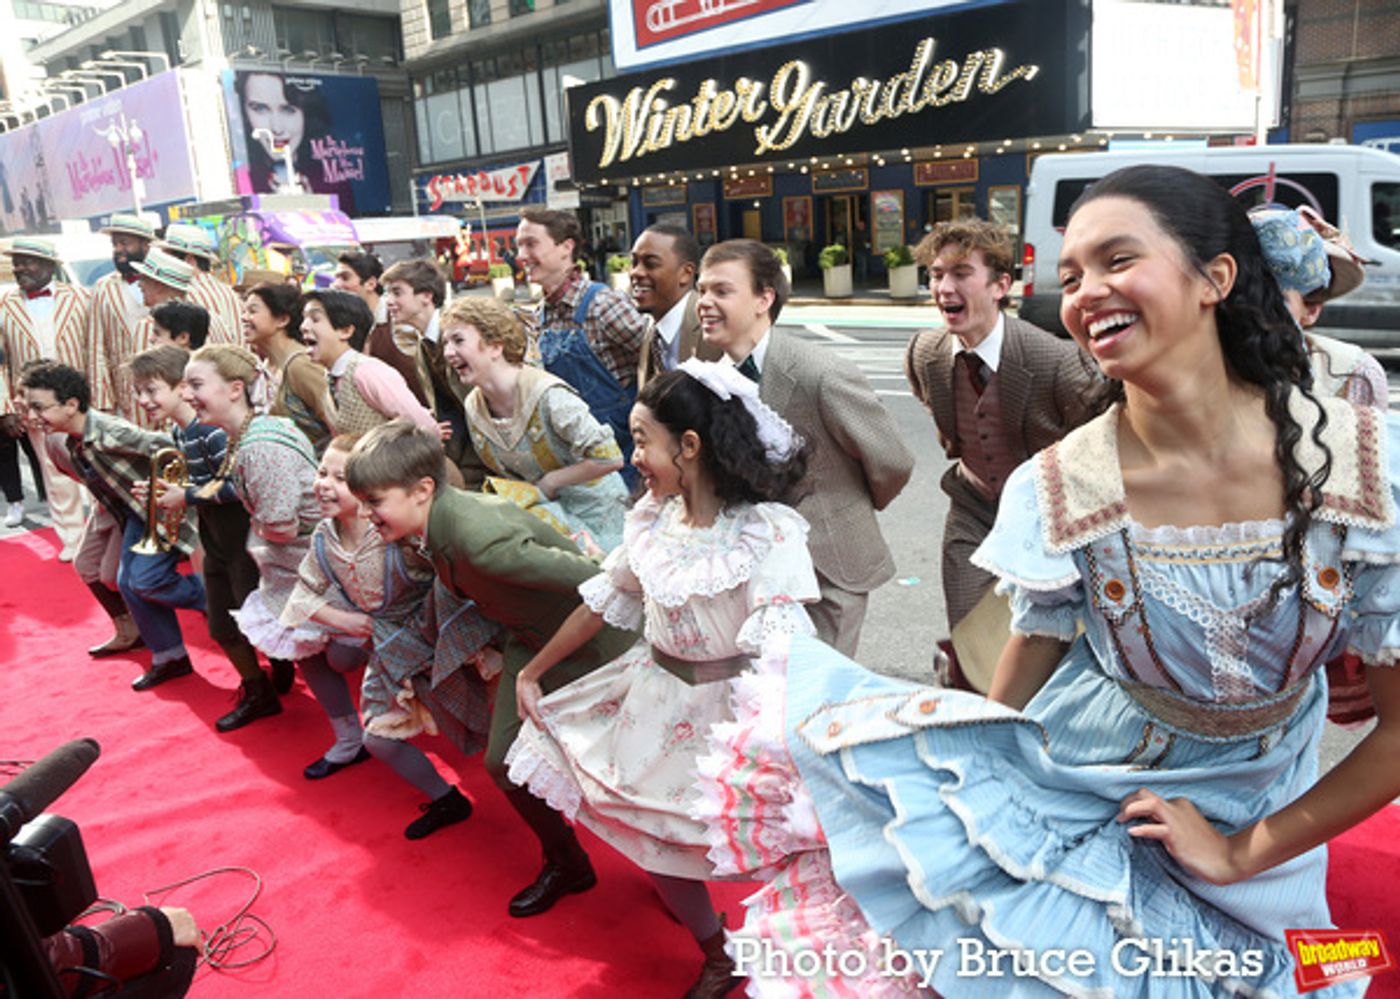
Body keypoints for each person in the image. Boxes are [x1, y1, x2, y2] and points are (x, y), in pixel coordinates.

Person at [694, 164, 1400, 998]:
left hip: (1267, 784)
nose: (1086, 292)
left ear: (1217, 277)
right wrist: (966, 779)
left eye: (1116, 260)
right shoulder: (1058, 482)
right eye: (1069, 276)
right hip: (1090, 777)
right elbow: (1029, 651)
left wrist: (1243, 850)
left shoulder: (1366, 460)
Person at [507, 362, 818, 998]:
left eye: (642, 439)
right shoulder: (651, 520)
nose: (633, 457)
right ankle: (716, 951)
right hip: (650, 696)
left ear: (690, 445)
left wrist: (772, 740)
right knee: (653, 842)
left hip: (735, 713)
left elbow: (783, 648)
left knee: (770, 848)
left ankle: (799, 959)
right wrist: (535, 672)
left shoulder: (767, 532)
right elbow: (604, 601)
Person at [344, 420, 638, 918]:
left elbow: (598, 582)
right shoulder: (438, 523)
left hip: (593, 643)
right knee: (504, 763)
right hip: (530, 639)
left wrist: (540, 668)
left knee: (633, 772)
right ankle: (568, 863)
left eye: (374, 500)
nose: (365, 513)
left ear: (423, 490)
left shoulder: (479, 542)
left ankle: (681, 879)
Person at [905, 219, 1098, 691]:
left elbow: (1100, 451)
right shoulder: (924, 353)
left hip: (1048, 525)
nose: (943, 287)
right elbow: (936, 409)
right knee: (972, 644)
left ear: (1001, 286)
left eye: (960, 273)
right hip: (972, 513)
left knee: (1046, 655)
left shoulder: (1056, 363)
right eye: (935, 275)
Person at [696, 239, 913, 657]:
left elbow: (892, 461)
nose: (705, 302)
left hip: (828, 568)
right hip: (753, 569)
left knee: (813, 695)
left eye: (722, 291)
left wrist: (841, 505)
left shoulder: (822, 373)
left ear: (764, 298)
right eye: (702, 290)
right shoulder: (711, 373)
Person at [281, 434, 499, 825]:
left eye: (340, 478)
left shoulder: (397, 531)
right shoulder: (322, 537)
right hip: (387, 646)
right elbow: (302, 593)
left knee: (495, 714)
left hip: (442, 634)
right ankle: (446, 798)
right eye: (321, 471)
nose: (324, 484)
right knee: (378, 739)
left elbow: (454, 567)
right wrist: (343, 619)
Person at [1251, 205, 1388, 729]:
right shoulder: (1192, 374)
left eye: (1275, 298)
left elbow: (1372, 501)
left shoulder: (1352, 373)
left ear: (1311, 309)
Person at [21, 363, 205, 692]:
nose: (33, 416)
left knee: (145, 580)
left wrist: (175, 492)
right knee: (126, 582)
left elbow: (168, 447)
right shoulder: (71, 441)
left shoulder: (108, 431)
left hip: (161, 511)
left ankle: (220, 598)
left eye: (39, 407)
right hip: (135, 514)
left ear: (71, 405)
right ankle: (170, 656)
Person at [183, 344, 332, 733]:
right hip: (296, 567)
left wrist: (257, 531)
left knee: (329, 660)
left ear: (235, 389)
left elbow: (280, 525)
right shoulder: (251, 433)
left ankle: (354, 739)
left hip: (306, 571)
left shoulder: (259, 445)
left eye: (196, 384)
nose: (186, 395)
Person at [439, 296, 628, 551]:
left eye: (458, 340)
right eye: (445, 343)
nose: (448, 352)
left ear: (495, 346)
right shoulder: (474, 405)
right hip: (545, 515)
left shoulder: (549, 396)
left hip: (599, 515)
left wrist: (551, 481)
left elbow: (610, 458)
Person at [517, 207, 648, 475]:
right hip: (578, 458)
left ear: (566, 247)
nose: (521, 256)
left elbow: (659, 361)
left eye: (531, 244)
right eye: (519, 246)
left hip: (624, 459)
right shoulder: (540, 315)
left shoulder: (602, 304)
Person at [0, 237, 96, 556]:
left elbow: (96, 348)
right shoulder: (4, 305)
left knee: (97, 465)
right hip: (35, 404)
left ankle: (106, 531)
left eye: (28, 261)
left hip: (82, 399)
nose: (20, 267)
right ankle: (71, 539)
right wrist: (6, 407)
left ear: (49, 265)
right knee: (54, 472)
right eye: (16, 262)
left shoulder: (82, 298)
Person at [380, 257, 483, 486]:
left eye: (397, 293)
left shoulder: (459, 334)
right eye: (388, 294)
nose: (389, 301)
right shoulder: (421, 346)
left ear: (426, 296)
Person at [299, 288, 439, 437]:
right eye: (304, 319)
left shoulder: (368, 372)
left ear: (346, 331)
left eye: (315, 319)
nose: (303, 327)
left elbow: (423, 427)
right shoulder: (330, 381)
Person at [236, 70, 356, 212]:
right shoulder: (240, 179)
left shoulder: (331, 180)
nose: (276, 128)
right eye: (261, 109)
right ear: (243, 112)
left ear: (307, 113)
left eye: (288, 110)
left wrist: (312, 205)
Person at [629, 223, 722, 389]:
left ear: (686, 273)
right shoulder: (653, 328)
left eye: (650, 264)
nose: (636, 272)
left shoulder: (714, 328)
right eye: (634, 262)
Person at [242, 282, 332, 454]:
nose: (244, 318)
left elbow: (335, 421)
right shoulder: (266, 365)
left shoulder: (301, 365)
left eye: (252, 311)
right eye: (244, 311)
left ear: (282, 319)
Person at [334, 250, 427, 406]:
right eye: (336, 278)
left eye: (345, 277)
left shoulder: (399, 319)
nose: (336, 285)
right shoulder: (349, 325)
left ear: (370, 283)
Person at [89, 213, 156, 423]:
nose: (118, 250)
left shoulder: (164, 281)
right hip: (126, 399)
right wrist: (103, 403)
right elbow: (96, 348)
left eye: (125, 243)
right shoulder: (103, 287)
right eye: (115, 244)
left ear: (145, 245)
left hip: (167, 393)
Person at [158, 223, 243, 345]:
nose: (164, 265)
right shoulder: (230, 292)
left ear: (190, 261)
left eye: (168, 259)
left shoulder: (183, 298)